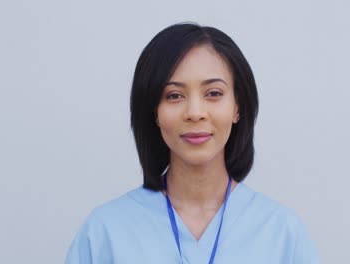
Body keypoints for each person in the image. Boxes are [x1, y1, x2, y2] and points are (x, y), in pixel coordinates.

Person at [65, 22, 319, 264]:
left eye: (213, 94)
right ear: (154, 111)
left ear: (237, 106)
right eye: (174, 95)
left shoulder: (283, 233)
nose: (195, 112)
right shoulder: (104, 233)